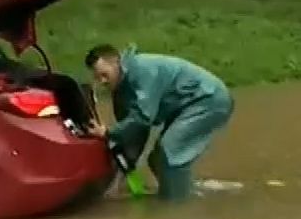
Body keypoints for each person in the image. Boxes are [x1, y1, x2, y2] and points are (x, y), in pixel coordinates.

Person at [85, 44, 233, 202]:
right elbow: (133, 134)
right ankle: (185, 193)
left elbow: (142, 118)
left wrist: (108, 133)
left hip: (208, 100)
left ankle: (177, 209)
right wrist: (117, 182)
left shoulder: (142, 70)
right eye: (97, 78)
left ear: (116, 62)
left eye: (104, 75)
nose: (102, 81)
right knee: (156, 160)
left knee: (169, 152)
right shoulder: (121, 91)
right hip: (185, 106)